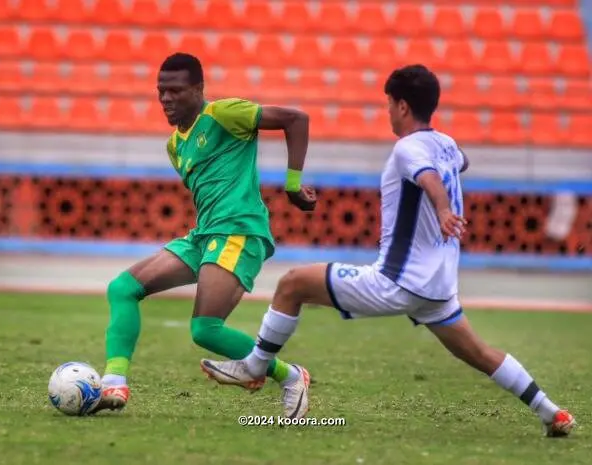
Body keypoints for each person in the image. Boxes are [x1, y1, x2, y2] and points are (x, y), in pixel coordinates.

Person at [200, 64, 576, 436]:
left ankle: (257, 365)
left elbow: (427, 177)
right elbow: (461, 159)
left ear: (401, 106)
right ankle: (550, 411)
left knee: (293, 283)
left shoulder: (408, 149)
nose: (387, 113)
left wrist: (443, 208)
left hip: (397, 280)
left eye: (388, 104)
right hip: (438, 288)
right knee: (477, 352)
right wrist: (444, 177)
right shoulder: (444, 144)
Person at [91, 53, 317, 418]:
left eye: (176, 91)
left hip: (238, 232)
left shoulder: (224, 114)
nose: (166, 98)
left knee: (205, 329)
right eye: (161, 91)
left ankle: (290, 376)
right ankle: (113, 382)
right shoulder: (174, 146)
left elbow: (296, 119)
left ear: (198, 89)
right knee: (122, 288)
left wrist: (293, 187)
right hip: (204, 236)